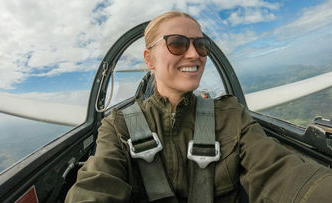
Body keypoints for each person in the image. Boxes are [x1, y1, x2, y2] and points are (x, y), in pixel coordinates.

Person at [65, 11, 332, 202]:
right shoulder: (118, 125)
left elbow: (278, 172)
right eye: (177, 43)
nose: (194, 54)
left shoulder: (230, 116)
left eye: (201, 45)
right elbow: (97, 184)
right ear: (149, 59)